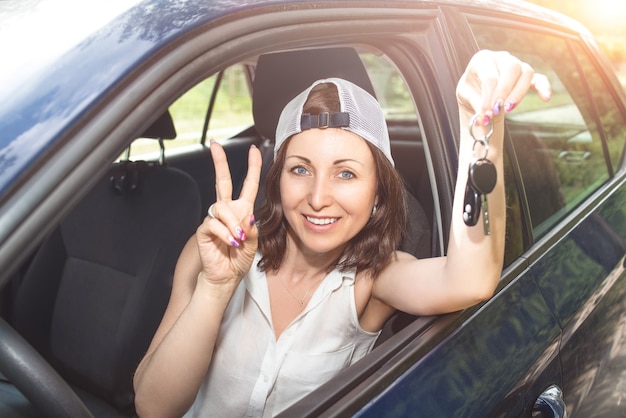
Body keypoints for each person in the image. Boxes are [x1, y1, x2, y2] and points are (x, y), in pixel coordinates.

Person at [133, 50, 552, 417]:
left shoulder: (374, 278)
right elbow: (153, 408)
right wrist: (215, 288)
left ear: (377, 195)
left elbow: (471, 279)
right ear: (277, 181)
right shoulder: (214, 251)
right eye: (300, 169)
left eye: (346, 174)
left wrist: (479, 128)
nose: (318, 197)